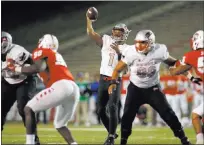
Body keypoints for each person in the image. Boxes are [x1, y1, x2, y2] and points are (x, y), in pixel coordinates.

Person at [108, 30, 200, 145]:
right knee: (127, 116)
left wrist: (190, 76)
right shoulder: (131, 52)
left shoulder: (159, 50)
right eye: (137, 42)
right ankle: (123, 142)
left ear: (150, 43)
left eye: (142, 42)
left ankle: (184, 139)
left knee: (168, 113)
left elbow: (174, 63)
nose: (138, 45)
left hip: (153, 88)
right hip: (135, 88)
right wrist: (112, 82)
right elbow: (117, 69)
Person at [6, 34, 80, 145]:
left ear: (44, 42)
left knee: (28, 109)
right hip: (73, 88)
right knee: (60, 125)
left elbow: (38, 68)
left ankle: (30, 143)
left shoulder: (41, 51)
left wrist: (15, 68)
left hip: (60, 85)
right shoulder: (55, 54)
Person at [86, 9, 131, 145]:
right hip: (103, 79)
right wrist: (88, 19)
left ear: (124, 34)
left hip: (115, 79)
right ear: (113, 32)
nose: (118, 34)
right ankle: (111, 132)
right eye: (117, 31)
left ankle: (111, 137)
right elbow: (91, 33)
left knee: (112, 107)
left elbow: (126, 70)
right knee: (100, 110)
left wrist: (119, 53)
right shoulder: (106, 40)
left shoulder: (127, 49)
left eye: (120, 32)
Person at [1, 31, 40, 144]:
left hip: (25, 79)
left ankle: (33, 140)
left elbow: (15, 71)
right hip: (8, 81)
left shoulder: (18, 51)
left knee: (24, 108)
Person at [169, 30, 204, 144]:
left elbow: (176, 71)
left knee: (195, 115)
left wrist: (172, 67)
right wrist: (191, 78)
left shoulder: (192, 55)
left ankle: (200, 141)